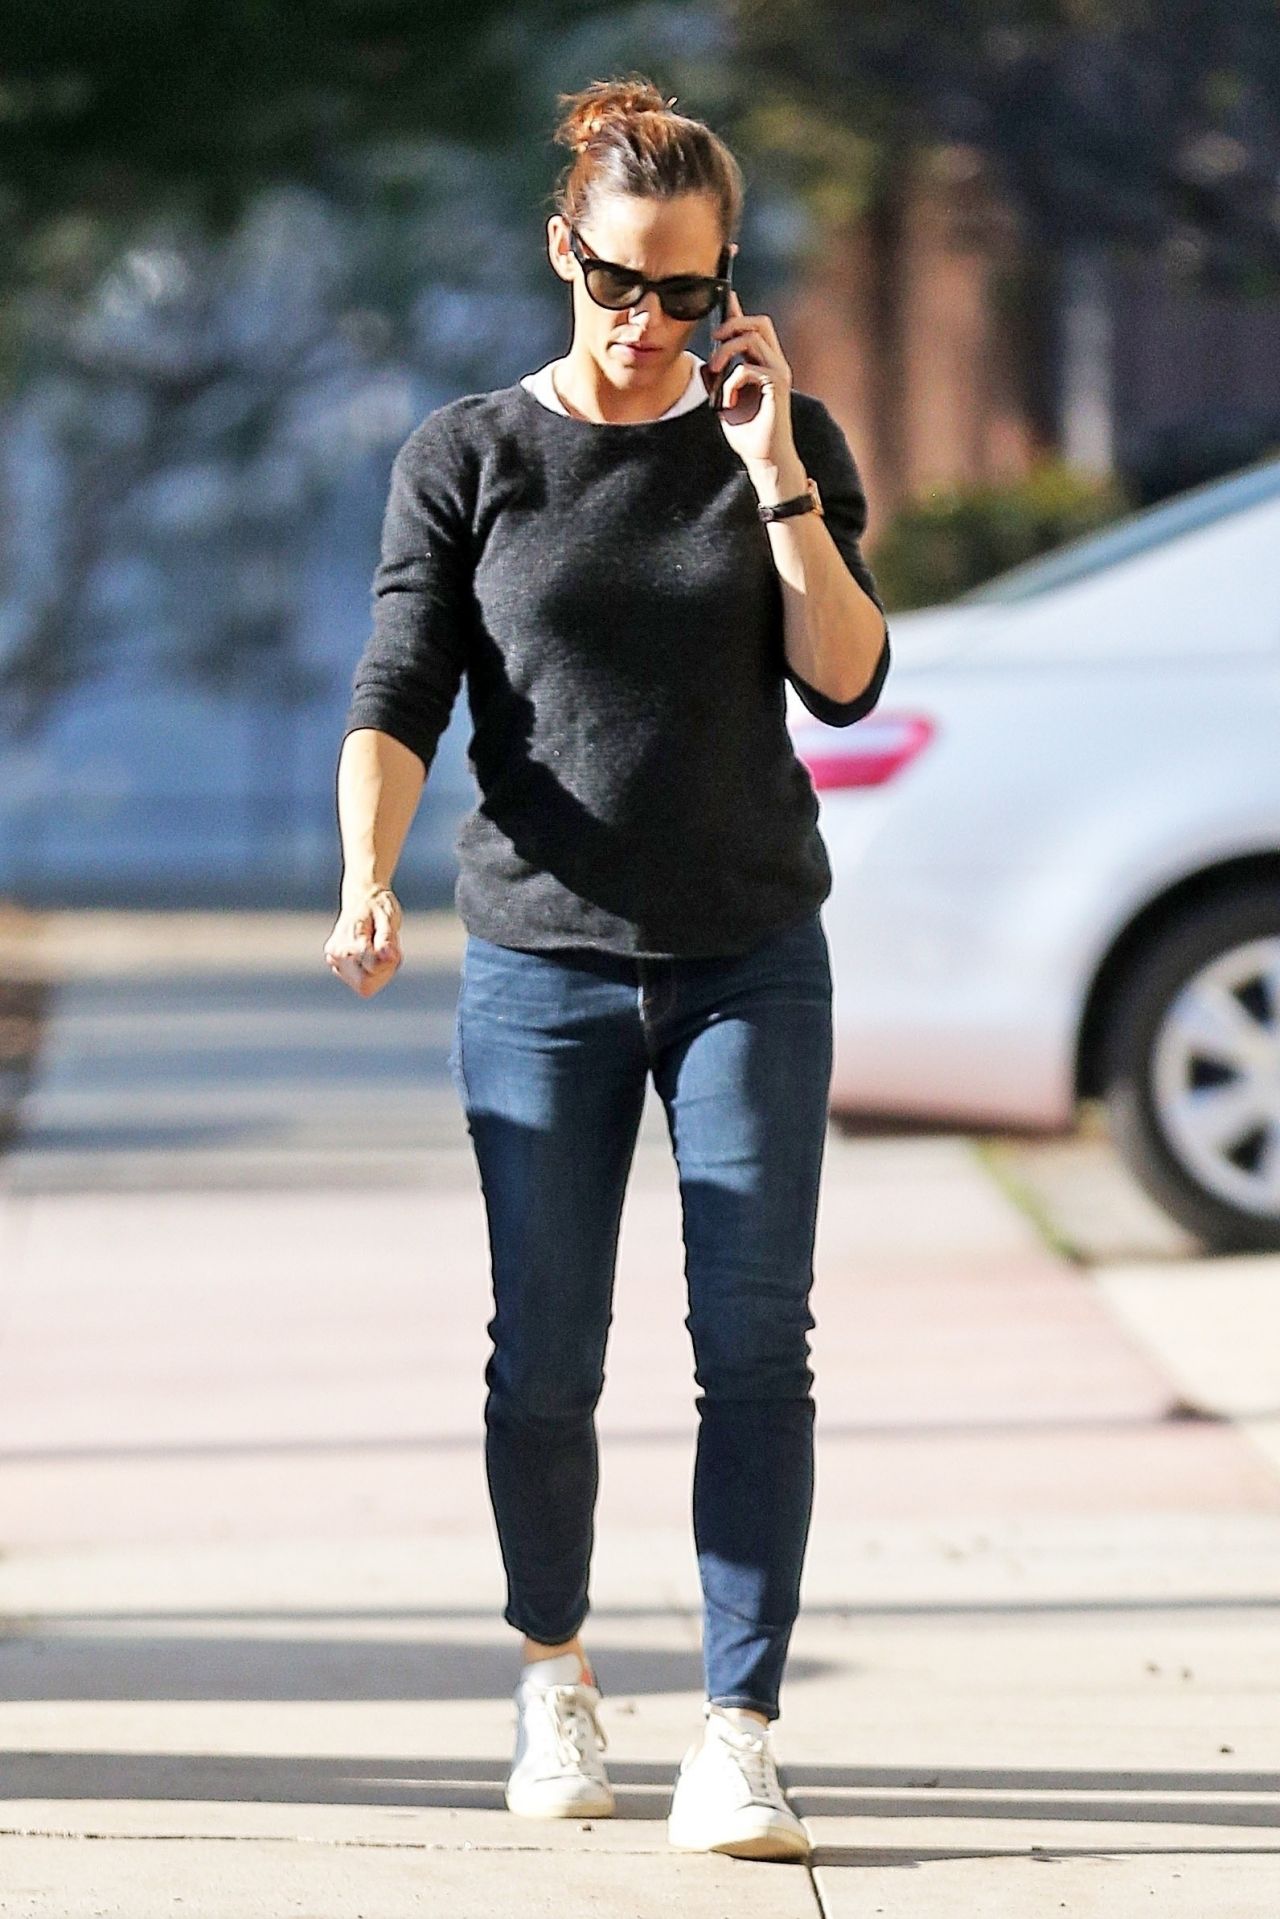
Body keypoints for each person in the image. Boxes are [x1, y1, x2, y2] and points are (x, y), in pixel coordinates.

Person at [324, 73, 891, 1862]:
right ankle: (554, 1674)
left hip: (748, 955)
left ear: (728, 285)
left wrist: (776, 473)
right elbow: (400, 688)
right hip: (540, 964)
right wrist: (367, 878)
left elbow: (848, 680)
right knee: (546, 1355)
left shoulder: (775, 437)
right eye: (619, 281)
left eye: (687, 290)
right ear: (561, 249)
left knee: (757, 1341)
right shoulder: (470, 455)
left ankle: (739, 1730)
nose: (648, 321)